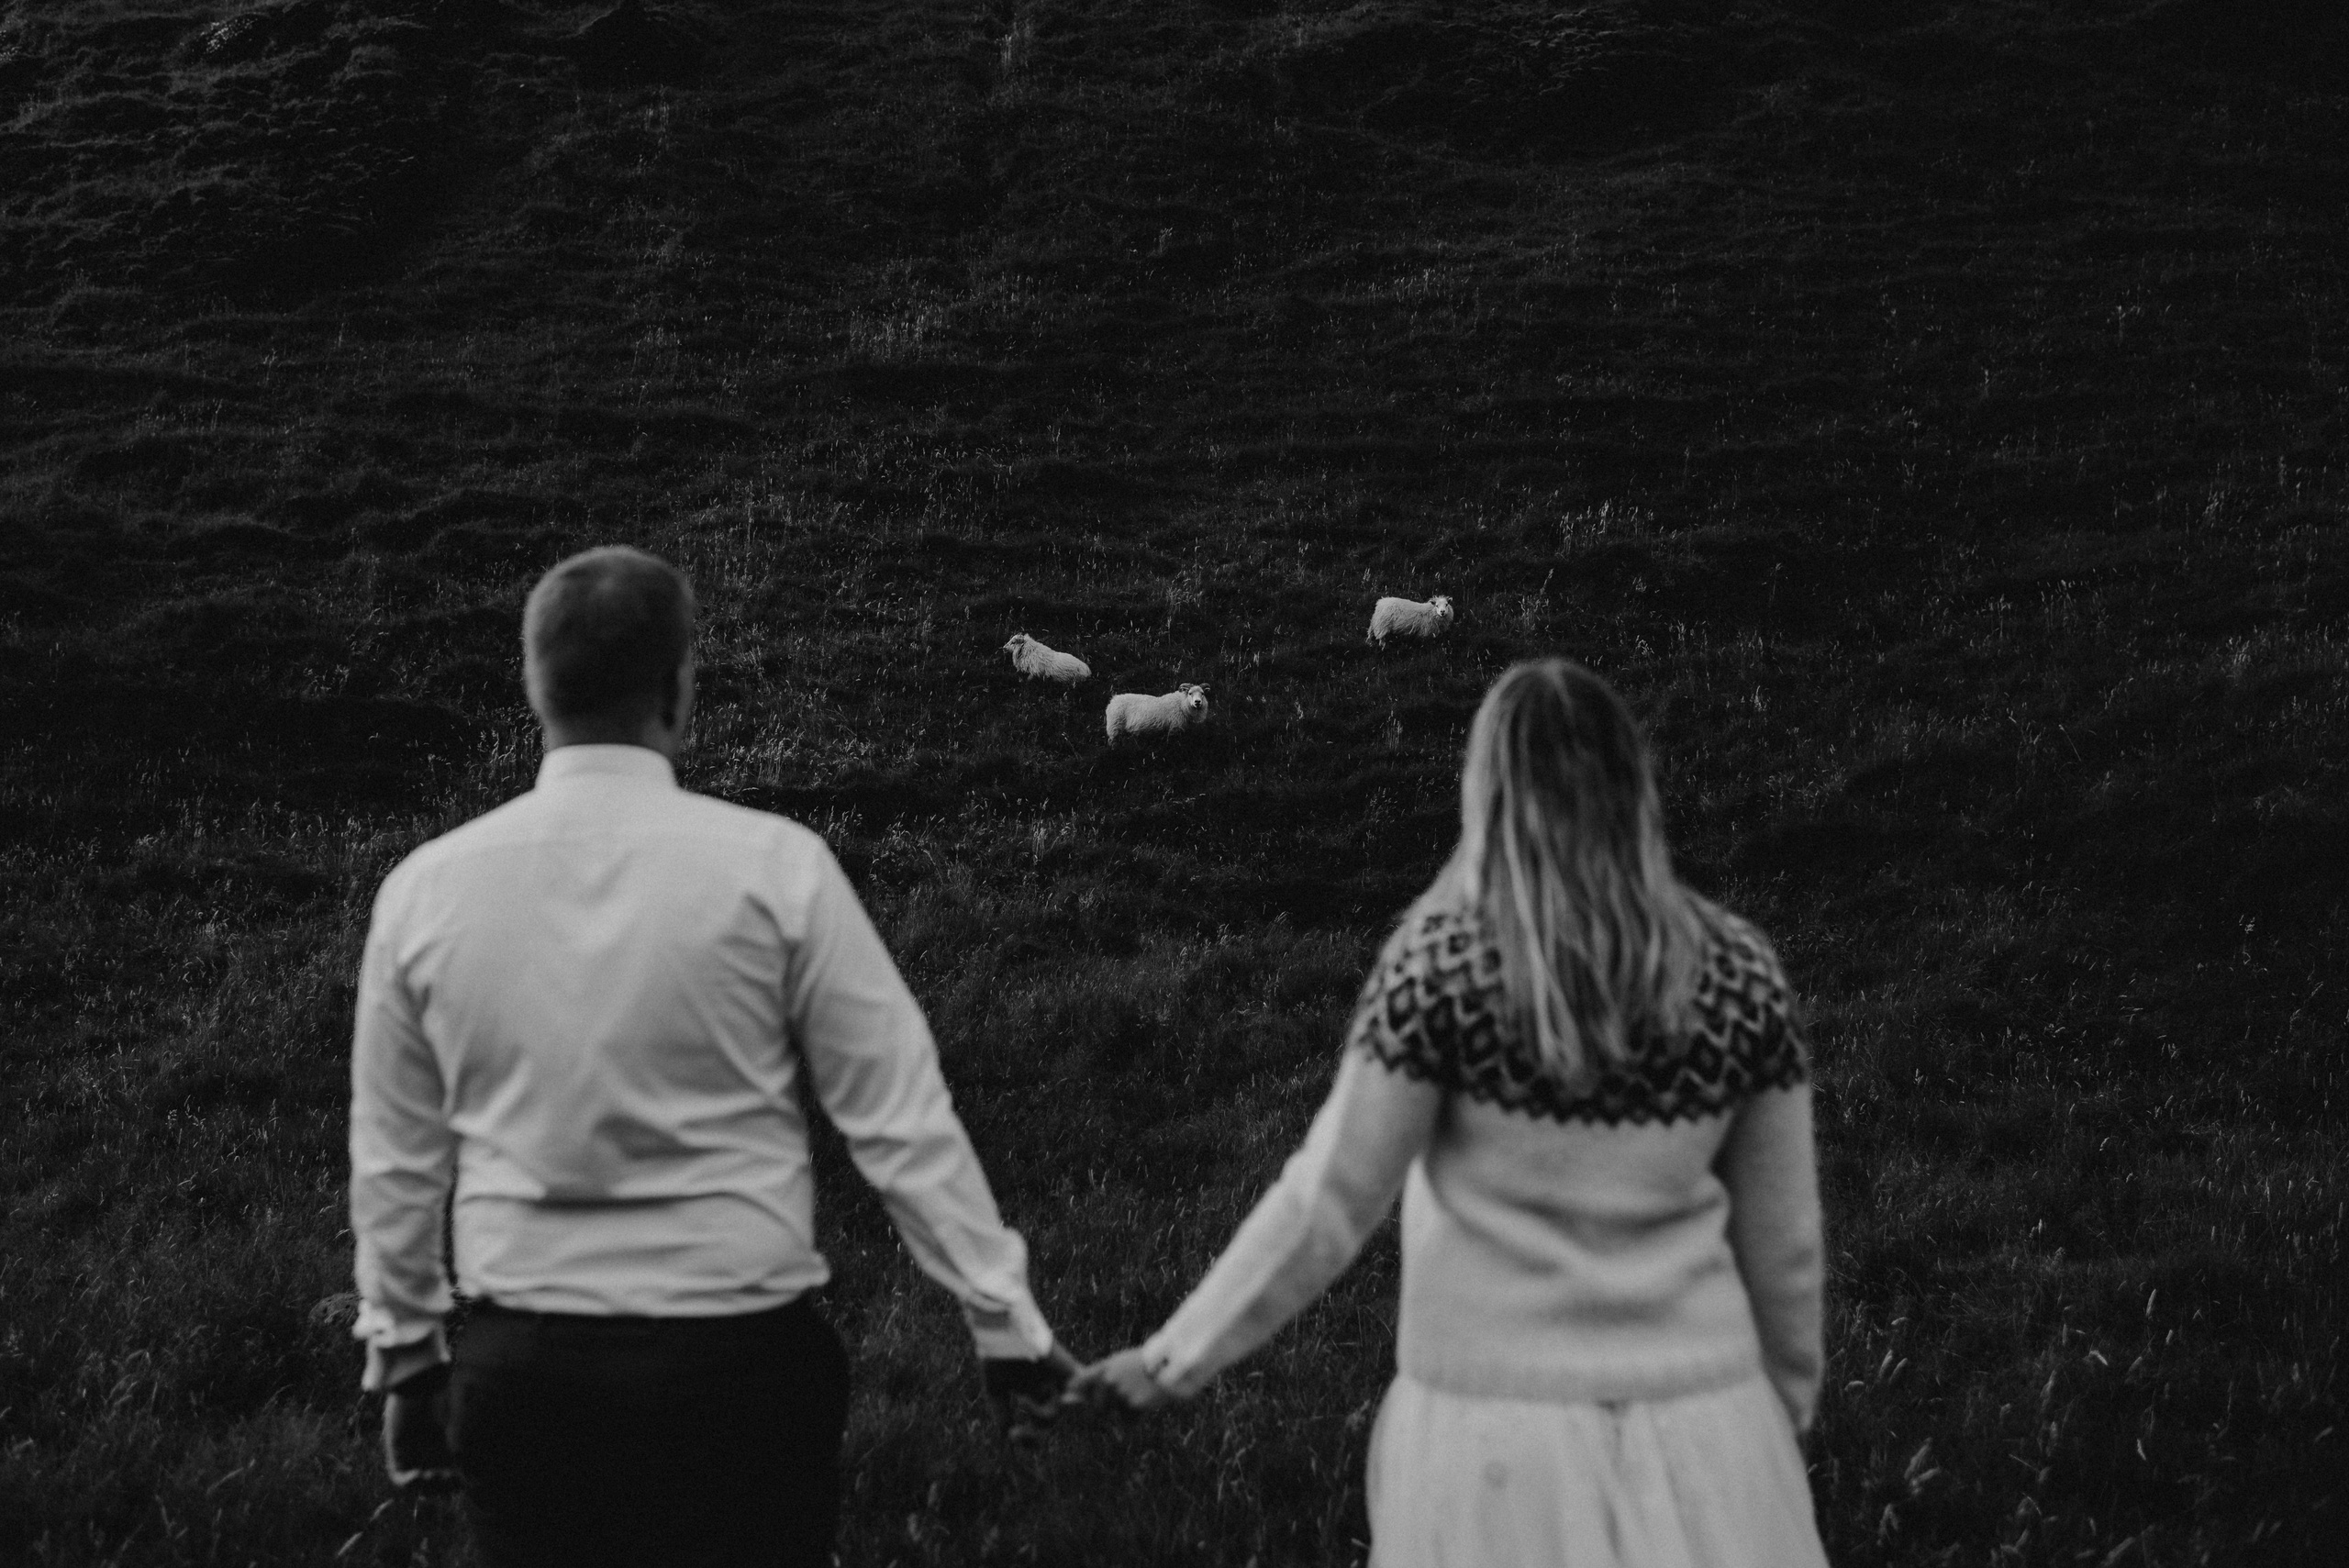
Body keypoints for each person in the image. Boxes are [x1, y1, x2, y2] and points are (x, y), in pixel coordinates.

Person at [348, 545, 1074, 1568]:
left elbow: (395, 1160)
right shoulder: (778, 869)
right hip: (740, 1371)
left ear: (533, 680)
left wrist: (408, 1359)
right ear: (678, 686)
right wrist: (1004, 1324)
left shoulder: (425, 891)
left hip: (527, 1372)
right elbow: (900, 1118)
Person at [1078, 658, 1828, 1567]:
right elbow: (1784, 1240)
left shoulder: (1440, 967)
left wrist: (1171, 1360)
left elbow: (1329, 1197)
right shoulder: (1740, 973)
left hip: (1490, 1444)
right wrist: (1772, 1424)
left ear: (1486, 790)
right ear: (1634, 784)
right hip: (1708, 1425)